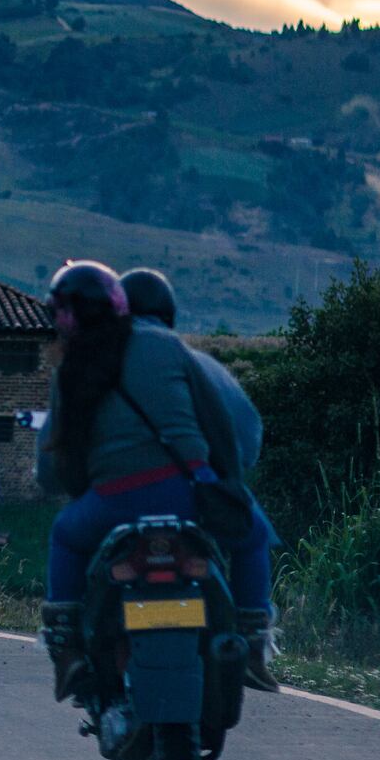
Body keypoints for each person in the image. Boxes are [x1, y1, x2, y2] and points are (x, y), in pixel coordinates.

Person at [35, 260, 247, 701]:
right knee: (244, 536)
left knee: (65, 534)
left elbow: (54, 472)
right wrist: (225, 482)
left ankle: (67, 646)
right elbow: (218, 425)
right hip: (189, 496)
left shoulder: (71, 371)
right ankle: (248, 630)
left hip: (113, 503)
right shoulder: (170, 348)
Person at [120, 268, 280, 691]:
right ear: (169, 314)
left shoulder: (99, 359)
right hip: (195, 491)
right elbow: (247, 437)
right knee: (253, 536)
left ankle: (74, 637)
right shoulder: (199, 363)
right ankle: (250, 640)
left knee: (77, 539)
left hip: (117, 493)